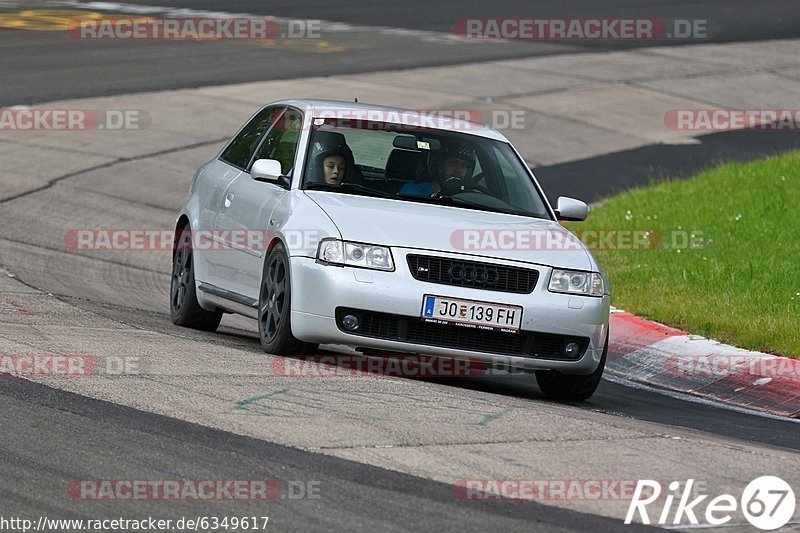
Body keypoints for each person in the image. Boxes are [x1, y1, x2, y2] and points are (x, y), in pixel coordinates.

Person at [398, 140, 475, 196]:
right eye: (453, 162)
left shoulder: (470, 197)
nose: (459, 169)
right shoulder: (413, 191)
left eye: (464, 165)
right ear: (438, 165)